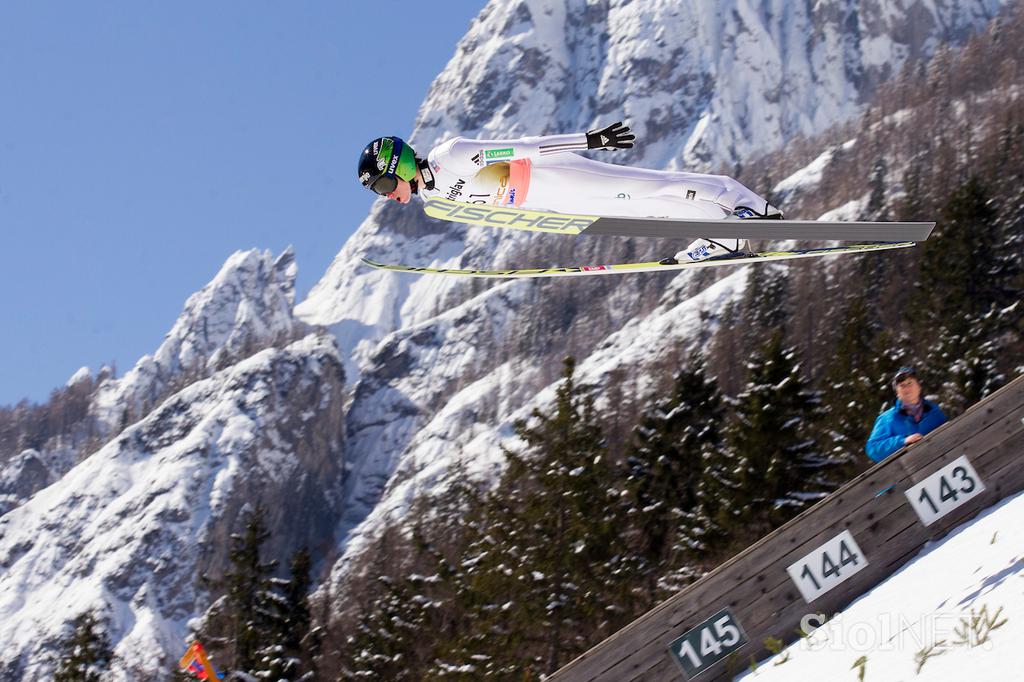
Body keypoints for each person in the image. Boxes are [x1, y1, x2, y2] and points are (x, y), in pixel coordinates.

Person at [356, 123, 783, 263]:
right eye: (379, 192)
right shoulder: (437, 201)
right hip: (552, 201)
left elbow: (526, 147)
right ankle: (723, 233)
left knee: (645, 186)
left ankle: (741, 201)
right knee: (645, 208)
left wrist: (590, 140)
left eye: (383, 184)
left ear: (401, 166)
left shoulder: (453, 155)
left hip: (555, 174)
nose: (388, 195)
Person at [865, 367, 948, 462]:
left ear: (919, 386)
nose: (907, 388)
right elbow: (872, 449)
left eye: (910, 383)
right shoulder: (886, 419)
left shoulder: (934, 411)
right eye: (902, 385)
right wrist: (903, 441)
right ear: (897, 393)